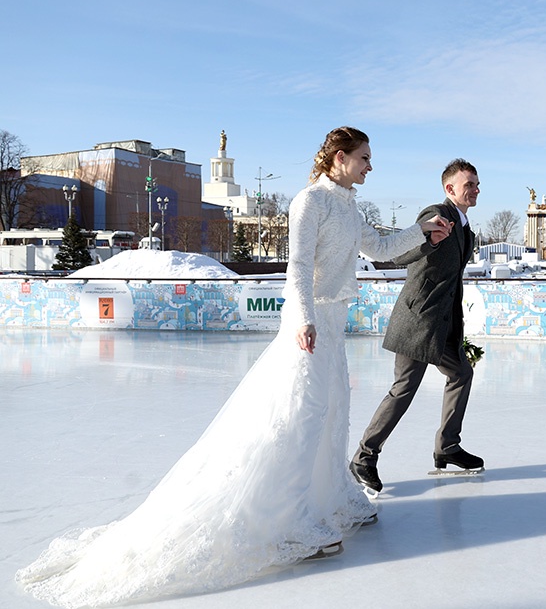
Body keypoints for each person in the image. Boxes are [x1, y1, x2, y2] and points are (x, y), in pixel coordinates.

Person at [16, 127, 451, 607]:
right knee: (301, 419)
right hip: (308, 324)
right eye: (365, 157)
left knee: (332, 414)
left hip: (333, 322)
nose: (371, 166)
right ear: (339, 158)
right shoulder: (310, 201)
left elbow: (378, 246)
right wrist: (303, 318)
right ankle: (291, 520)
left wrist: (421, 233)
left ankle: (332, 499)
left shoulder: (347, 203)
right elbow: (299, 266)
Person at [351, 158, 482, 494]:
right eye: (469, 184)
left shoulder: (465, 226)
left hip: (443, 325)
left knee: (461, 374)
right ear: (449, 188)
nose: (476, 189)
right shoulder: (435, 213)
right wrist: (430, 240)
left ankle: (448, 447)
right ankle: (364, 457)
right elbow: (398, 256)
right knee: (404, 388)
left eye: (477, 184)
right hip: (419, 321)